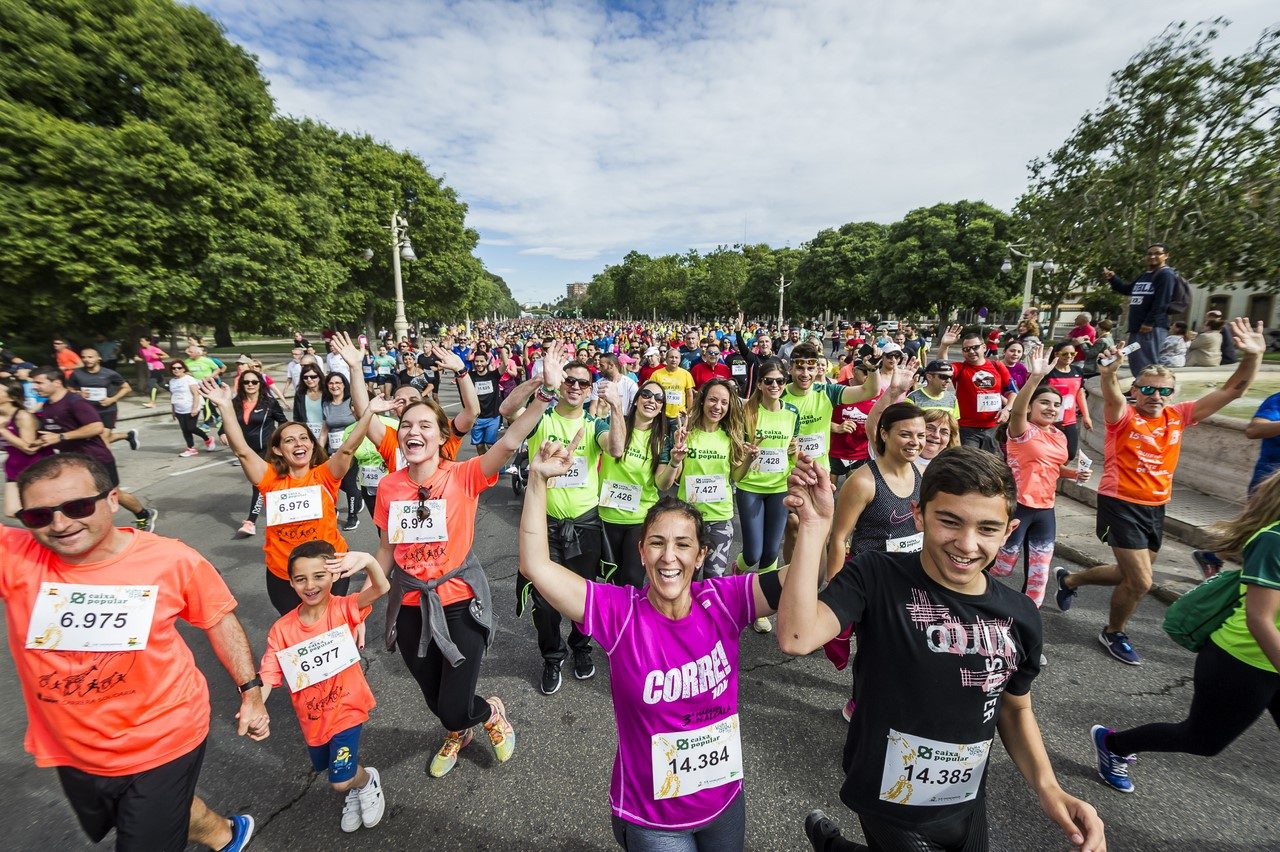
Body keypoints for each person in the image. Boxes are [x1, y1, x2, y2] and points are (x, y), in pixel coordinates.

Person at [776, 449, 1106, 852]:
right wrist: (814, 528)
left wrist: (1048, 787)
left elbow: (1015, 706)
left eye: (987, 528)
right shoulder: (877, 574)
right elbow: (795, 637)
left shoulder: (1020, 614)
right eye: (949, 521)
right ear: (918, 515)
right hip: (887, 792)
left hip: (964, 796)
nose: (967, 545)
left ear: (1009, 531)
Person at [520, 439, 788, 852]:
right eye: (658, 543)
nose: (670, 557)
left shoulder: (725, 601)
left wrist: (822, 524)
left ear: (701, 555)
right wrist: (537, 480)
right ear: (642, 552)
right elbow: (536, 566)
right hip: (653, 821)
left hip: (725, 802)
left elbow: (804, 580)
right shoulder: (619, 613)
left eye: (683, 544)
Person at [2, 454, 264, 852]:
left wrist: (252, 692)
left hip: (163, 738)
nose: (60, 524)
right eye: (39, 516)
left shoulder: (172, 559)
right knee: (142, 816)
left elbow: (218, 619)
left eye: (77, 507)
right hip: (70, 748)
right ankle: (222, 832)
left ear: (112, 500)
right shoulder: (17, 557)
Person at [1056, 319, 1265, 665]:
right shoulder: (1122, 416)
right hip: (1120, 503)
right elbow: (1110, 394)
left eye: (1164, 391)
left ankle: (1070, 579)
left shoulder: (1179, 416)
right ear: (1134, 390)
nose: (1156, 396)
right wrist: (1108, 374)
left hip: (1156, 506)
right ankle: (1113, 632)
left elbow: (1233, 391)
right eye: (1148, 389)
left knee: (1128, 575)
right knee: (1141, 581)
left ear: (1173, 394)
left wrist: (1252, 357)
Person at [373, 375, 552, 777]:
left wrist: (543, 398)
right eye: (406, 425)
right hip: (410, 603)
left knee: (454, 703)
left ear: (441, 437)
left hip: (458, 600)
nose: (412, 431)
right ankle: (459, 731)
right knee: (436, 700)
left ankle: (489, 716)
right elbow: (386, 550)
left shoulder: (463, 475)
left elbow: (508, 443)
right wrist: (355, 606)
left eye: (424, 426)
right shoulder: (388, 487)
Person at [1090, 470, 1280, 794]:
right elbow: (1259, 619)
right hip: (1241, 662)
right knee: (1202, 741)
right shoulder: (1274, 540)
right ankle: (1114, 744)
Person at [206, 377, 394, 615]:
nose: (299, 443)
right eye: (289, 440)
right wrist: (224, 407)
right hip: (284, 574)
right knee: (298, 628)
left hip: (330, 568)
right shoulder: (268, 477)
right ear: (277, 449)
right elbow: (243, 451)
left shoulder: (325, 474)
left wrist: (368, 413)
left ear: (313, 446)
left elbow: (347, 448)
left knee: (330, 624)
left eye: (304, 438)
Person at [259, 542, 390, 833]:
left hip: (347, 708)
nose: (310, 585)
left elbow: (381, 588)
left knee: (338, 779)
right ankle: (356, 782)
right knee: (327, 767)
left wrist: (368, 559)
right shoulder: (281, 629)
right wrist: (255, 703)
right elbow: (269, 671)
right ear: (290, 582)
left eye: (319, 576)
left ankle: (366, 782)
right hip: (313, 719)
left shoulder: (343, 608)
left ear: (333, 576)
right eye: (301, 578)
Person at [520, 351, 625, 695]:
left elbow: (617, 448)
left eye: (583, 382)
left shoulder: (595, 425)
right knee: (545, 601)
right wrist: (540, 383)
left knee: (584, 594)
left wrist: (616, 407)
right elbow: (507, 412)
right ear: (560, 383)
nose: (576, 386)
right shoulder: (543, 416)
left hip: (585, 524)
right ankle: (552, 656)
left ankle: (582, 647)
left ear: (590, 390)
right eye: (570, 380)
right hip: (545, 525)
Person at [991, 345, 1089, 617]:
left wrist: (1075, 474)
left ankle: (1026, 624)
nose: (1051, 408)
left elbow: (1054, 467)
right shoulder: (1022, 431)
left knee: (1038, 574)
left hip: (1045, 510)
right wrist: (1034, 378)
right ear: (1032, 404)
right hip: (1017, 507)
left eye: (1056, 405)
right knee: (1002, 567)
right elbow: (1018, 410)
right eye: (1044, 402)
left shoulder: (1058, 435)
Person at [29, 366, 157, 531]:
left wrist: (61, 437)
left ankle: (144, 514)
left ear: (56, 382)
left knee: (112, 494)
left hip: (95, 457)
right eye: (33, 383)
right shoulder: (47, 407)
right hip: (71, 461)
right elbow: (53, 433)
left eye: (39, 382)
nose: (34, 386)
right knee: (79, 497)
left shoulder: (75, 401)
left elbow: (96, 427)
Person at [734, 359, 799, 632]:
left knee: (771, 552)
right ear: (759, 384)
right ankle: (736, 575)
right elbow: (737, 456)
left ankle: (761, 609)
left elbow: (791, 453)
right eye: (769, 381)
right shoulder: (748, 412)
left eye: (780, 382)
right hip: (750, 487)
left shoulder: (792, 412)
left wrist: (793, 454)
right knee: (752, 553)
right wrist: (748, 455)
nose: (775, 386)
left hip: (778, 488)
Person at [668, 380, 748, 581]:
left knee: (714, 579)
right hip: (688, 517)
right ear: (702, 401)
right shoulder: (686, 434)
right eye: (713, 399)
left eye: (724, 402)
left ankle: (709, 613)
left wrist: (750, 459)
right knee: (687, 577)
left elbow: (736, 477)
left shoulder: (731, 436)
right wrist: (675, 457)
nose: (717, 407)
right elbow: (674, 479)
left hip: (720, 517)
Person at [598, 379, 671, 590]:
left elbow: (662, 484)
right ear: (637, 399)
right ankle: (614, 620)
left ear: (661, 409)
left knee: (632, 580)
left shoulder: (661, 440)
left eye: (659, 399)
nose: (652, 401)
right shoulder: (614, 424)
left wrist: (674, 462)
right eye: (647, 395)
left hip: (639, 519)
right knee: (612, 579)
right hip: (606, 516)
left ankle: (628, 621)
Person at [783, 342, 880, 475]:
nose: (805, 374)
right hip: (786, 473)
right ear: (790, 369)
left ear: (817, 370)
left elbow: (870, 391)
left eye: (810, 368)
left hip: (819, 471)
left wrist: (873, 368)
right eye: (800, 368)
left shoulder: (827, 391)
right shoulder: (777, 394)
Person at [222, 368, 287, 537]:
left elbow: (283, 422)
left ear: (260, 384)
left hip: (266, 450)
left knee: (259, 484)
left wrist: (283, 441)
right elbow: (227, 421)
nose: (250, 385)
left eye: (254, 382)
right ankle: (284, 514)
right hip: (246, 451)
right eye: (246, 382)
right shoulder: (235, 403)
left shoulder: (269, 403)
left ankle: (250, 522)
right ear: (241, 384)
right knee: (270, 484)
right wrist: (222, 432)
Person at [935, 326, 1016, 453]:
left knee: (993, 466)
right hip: (967, 429)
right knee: (970, 466)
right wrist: (944, 345)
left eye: (975, 347)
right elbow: (941, 366)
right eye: (966, 349)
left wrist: (1007, 409)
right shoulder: (960, 368)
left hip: (993, 428)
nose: (971, 351)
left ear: (984, 347)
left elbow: (1012, 392)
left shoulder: (997, 366)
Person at [1104, 244, 1175, 377]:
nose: (1152, 256)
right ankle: (1139, 388)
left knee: (1148, 363)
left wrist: (1149, 322)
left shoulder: (1166, 274)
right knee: (1136, 359)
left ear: (1166, 256)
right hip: (1137, 327)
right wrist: (1113, 279)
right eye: (1149, 253)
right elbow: (1127, 289)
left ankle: (1151, 390)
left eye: (1157, 253)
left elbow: (1162, 301)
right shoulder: (1145, 275)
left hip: (1151, 328)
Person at [0, 378, 54, 516]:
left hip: (35, 467)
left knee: (43, 507)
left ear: (12, 397)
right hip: (14, 467)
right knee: (11, 511)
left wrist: (3, 431)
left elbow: (29, 448)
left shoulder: (23, 416)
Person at [321, 372, 365, 532]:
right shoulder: (326, 404)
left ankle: (352, 517)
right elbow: (325, 428)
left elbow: (362, 423)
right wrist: (319, 451)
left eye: (338, 382)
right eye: (331, 383)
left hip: (351, 451)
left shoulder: (350, 402)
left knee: (349, 483)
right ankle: (358, 496)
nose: (334, 386)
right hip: (333, 452)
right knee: (338, 483)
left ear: (344, 384)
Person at [68, 348, 137, 450]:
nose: (86, 359)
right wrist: (78, 393)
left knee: (102, 439)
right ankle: (128, 435)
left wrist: (112, 399)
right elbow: (69, 389)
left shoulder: (109, 374)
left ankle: (106, 464)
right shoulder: (76, 374)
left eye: (90, 357)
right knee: (92, 439)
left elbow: (126, 388)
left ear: (98, 358)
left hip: (107, 410)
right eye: (84, 357)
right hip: (86, 410)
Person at [1044, 341, 1092, 461]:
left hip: (1070, 419)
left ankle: (1057, 474)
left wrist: (1086, 416)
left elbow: (1080, 393)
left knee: (1070, 453)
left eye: (1072, 353)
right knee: (1048, 451)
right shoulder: (1048, 372)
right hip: (1049, 418)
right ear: (1057, 354)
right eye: (1065, 353)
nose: (1069, 356)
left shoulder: (1077, 371)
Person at [168, 360, 211, 458]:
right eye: (174, 368)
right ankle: (191, 448)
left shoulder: (189, 379)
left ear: (183, 369)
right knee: (185, 430)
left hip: (191, 407)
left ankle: (207, 439)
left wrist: (194, 408)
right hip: (179, 409)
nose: (176, 370)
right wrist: (173, 411)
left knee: (191, 428)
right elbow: (173, 396)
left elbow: (196, 394)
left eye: (179, 368)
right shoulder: (172, 381)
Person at [467, 349, 504, 454]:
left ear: (487, 361)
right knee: (479, 445)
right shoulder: (470, 376)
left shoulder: (494, 375)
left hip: (493, 416)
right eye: (477, 361)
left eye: (482, 361)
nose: (479, 364)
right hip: (477, 418)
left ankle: (498, 468)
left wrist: (501, 348)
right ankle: (484, 468)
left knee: (490, 444)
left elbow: (505, 364)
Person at [653, 348, 695, 426]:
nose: (674, 360)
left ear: (680, 359)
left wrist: (690, 411)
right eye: (671, 357)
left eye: (676, 357)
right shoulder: (656, 374)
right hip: (661, 415)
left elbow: (689, 395)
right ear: (666, 358)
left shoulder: (686, 374)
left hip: (679, 416)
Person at [593, 353, 638, 417]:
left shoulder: (630, 384)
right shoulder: (598, 384)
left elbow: (634, 408)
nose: (600, 369)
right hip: (603, 422)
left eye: (602, 366)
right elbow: (593, 407)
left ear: (611, 365)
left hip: (624, 422)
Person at [292, 363, 327, 441]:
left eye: (313, 377)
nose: (309, 380)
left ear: (319, 377)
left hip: (327, 435)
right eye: (305, 377)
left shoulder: (327, 393)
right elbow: (297, 417)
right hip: (308, 437)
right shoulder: (300, 394)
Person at [135, 336, 170, 407]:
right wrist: (138, 359)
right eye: (140, 341)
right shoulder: (142, 350)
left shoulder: (154, 349)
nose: (141, 342)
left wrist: (158, 357)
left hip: (158, 367)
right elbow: (146, 359)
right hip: (151, 368)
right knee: (162, 384)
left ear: (148, 342)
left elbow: (167, 356)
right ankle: (177, 392)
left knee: (151, 384)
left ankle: (152, 402)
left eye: (143, 341)